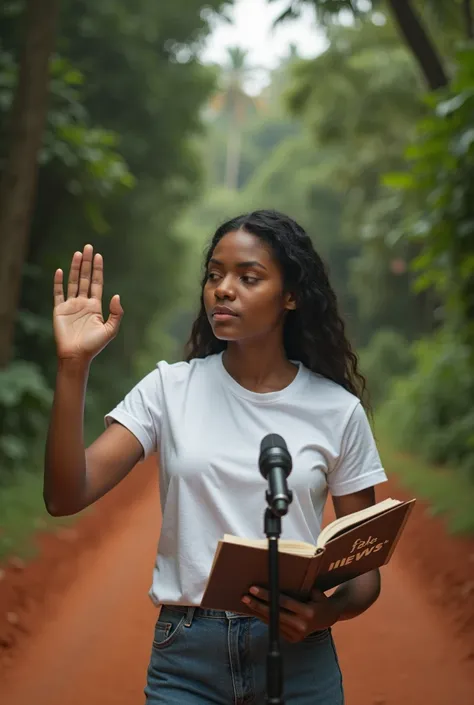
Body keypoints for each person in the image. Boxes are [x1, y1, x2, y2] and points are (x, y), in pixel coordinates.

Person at [45, 209, 387, 704]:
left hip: (299, 661)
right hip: (187, 658)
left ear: (291, 295)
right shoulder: (169, 389)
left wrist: (324, 614)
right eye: (214, 275)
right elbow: (65, 495)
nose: (223, 289)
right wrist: (73, 366)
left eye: (248, 278)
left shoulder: (337, 410)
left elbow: (364, 573)